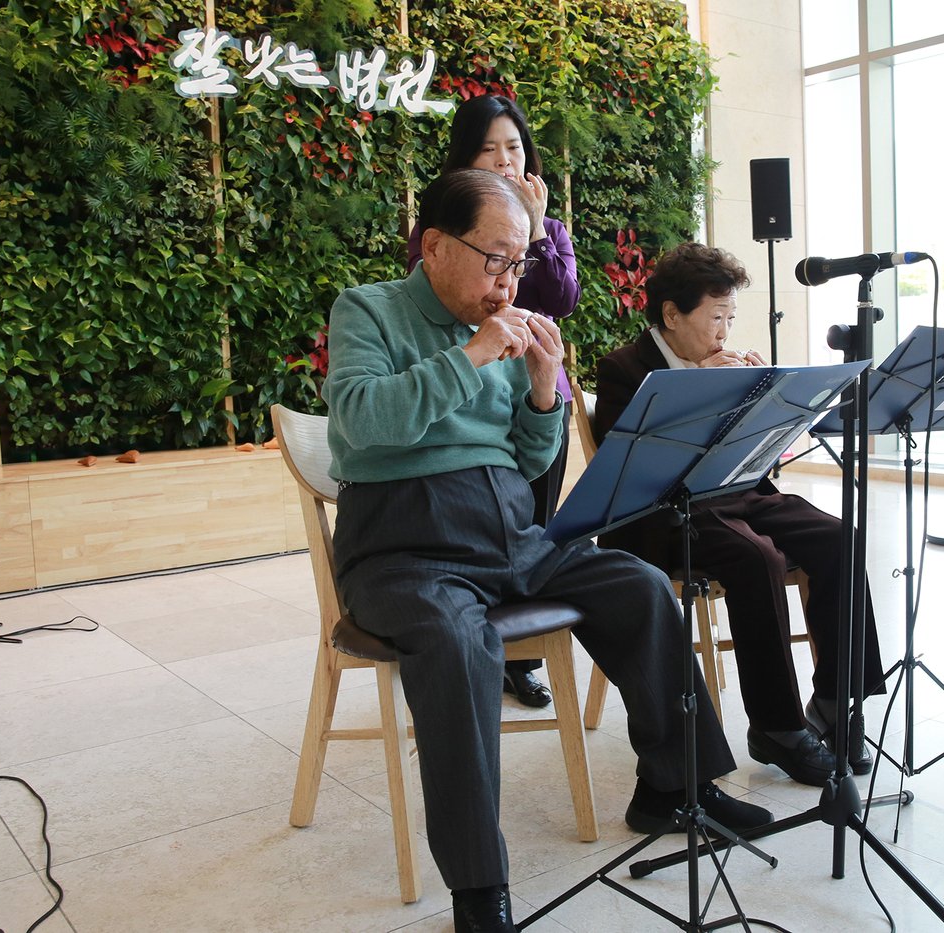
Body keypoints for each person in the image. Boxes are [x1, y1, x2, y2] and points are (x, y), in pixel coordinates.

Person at [325, 171, 770, 933]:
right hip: (402, 545)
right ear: (434, 247)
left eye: (518, 262)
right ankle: (478, 886)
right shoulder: (369, 309)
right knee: (458, 643)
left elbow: (530, 462)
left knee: (636, 584)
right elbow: (364, 423)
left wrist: (540, 392)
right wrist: (470, 356)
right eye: (496, 258)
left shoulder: (506, 324)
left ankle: (676, 786)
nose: (509, 279)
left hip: (506, 530)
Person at [593, 242, 885, 788]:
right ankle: (776, 726)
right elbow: (635, 470)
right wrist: (703, 388)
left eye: (731, 317)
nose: (724, 331)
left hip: (737, 493)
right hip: (665, 512)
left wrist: (766, 400)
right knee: (757, 556)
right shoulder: (623, 369)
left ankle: (835, 697)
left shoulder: (724, 357)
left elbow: (753, 454)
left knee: (838, 536)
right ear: (672, 314)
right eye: (715, 317)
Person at [406, 94, 582, 710]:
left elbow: (558, 297)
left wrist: (532, 229)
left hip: (537, 387)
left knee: (532, 524)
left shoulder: (548, 226)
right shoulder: (446, 219)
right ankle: (473, 641)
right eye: (489, 148)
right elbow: (444, 298)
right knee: (482, 530)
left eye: (514, 146)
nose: (505, 159)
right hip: (474, 388)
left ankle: (523, 657)